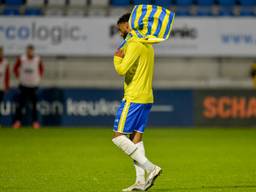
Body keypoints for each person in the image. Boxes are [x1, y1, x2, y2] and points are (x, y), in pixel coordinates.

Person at [111, 5, 175, 191]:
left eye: (120, 29)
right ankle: (139, 183)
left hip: (134, 96)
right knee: (136, 139)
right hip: (147, 96)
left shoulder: (134, 44)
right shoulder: (148, 44)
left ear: (128, 26)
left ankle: (151, 168)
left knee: (118, 137)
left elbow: (121, 70)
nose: (120, 33)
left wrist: (117, 58)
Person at [13, 45, 44, 129]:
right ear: (26, 51)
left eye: (31, 51)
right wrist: (18, 77)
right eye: (28, 50)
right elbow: (15, 68)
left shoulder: (37, 59)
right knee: (21, 105)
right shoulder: (22, 59)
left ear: (33, 51)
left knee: (34, 105)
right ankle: (17, 122)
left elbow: (41, 69)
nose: (30, 52)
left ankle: (35, 122)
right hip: (23, 85)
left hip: (34, 85)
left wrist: (38, 78)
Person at [0, 47, 10, 126]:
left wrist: (6, 86)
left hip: (1, 87)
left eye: (1, 52)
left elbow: (7, 75)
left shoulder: (5, 62)